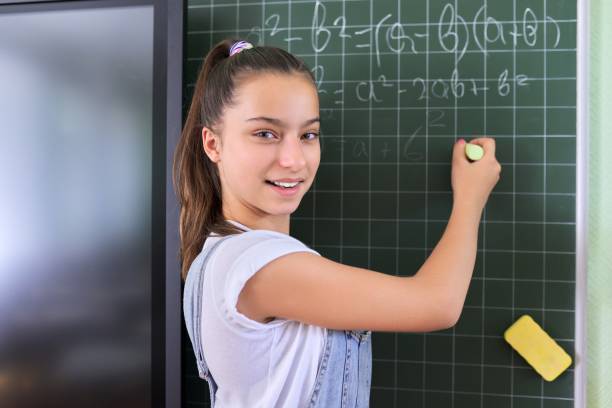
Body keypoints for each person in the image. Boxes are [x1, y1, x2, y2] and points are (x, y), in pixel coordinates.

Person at [173, 38, 501, 408]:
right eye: (266, 134)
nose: (294, 159)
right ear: (212, 144)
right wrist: (471, 198)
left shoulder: (221, 253)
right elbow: (438, 304)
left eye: (308, 135)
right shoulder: (258, 265)